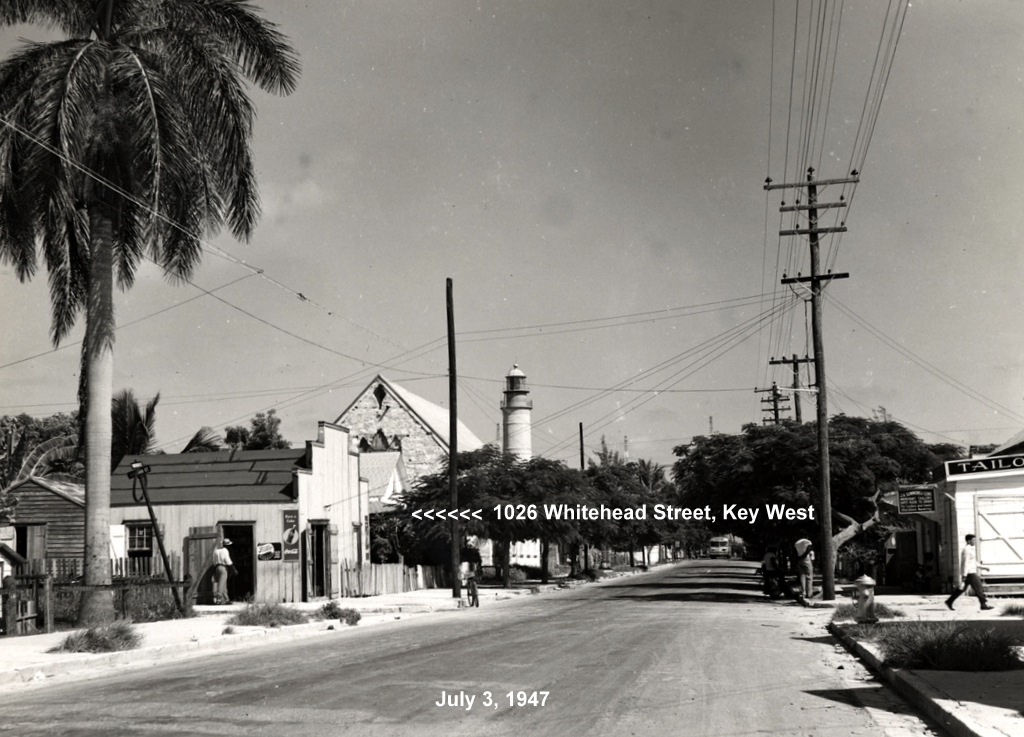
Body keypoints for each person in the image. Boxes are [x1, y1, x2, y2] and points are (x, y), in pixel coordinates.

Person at [945, 534, 993, 611]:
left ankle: (949, 601)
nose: (974, 542)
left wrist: (982, 567)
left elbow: (972, 562)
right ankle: (983, 604)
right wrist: (964, 575)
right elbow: (966, 563)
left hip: (970, 571)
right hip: (969, 573)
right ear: (968, 541)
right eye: (973, 540)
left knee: (962, 589)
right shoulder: (966, 550)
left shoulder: (970, 549)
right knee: (978, 587)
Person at [213, 538, 234, 605]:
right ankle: (218, 599)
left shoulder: (216, 551)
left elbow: (213, 561)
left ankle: (226, 599)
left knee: (223, 583)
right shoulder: (225, 550)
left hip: (217, 567)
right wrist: (234, 569)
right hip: (223, 567)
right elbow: (228, 561)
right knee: (221, 584)